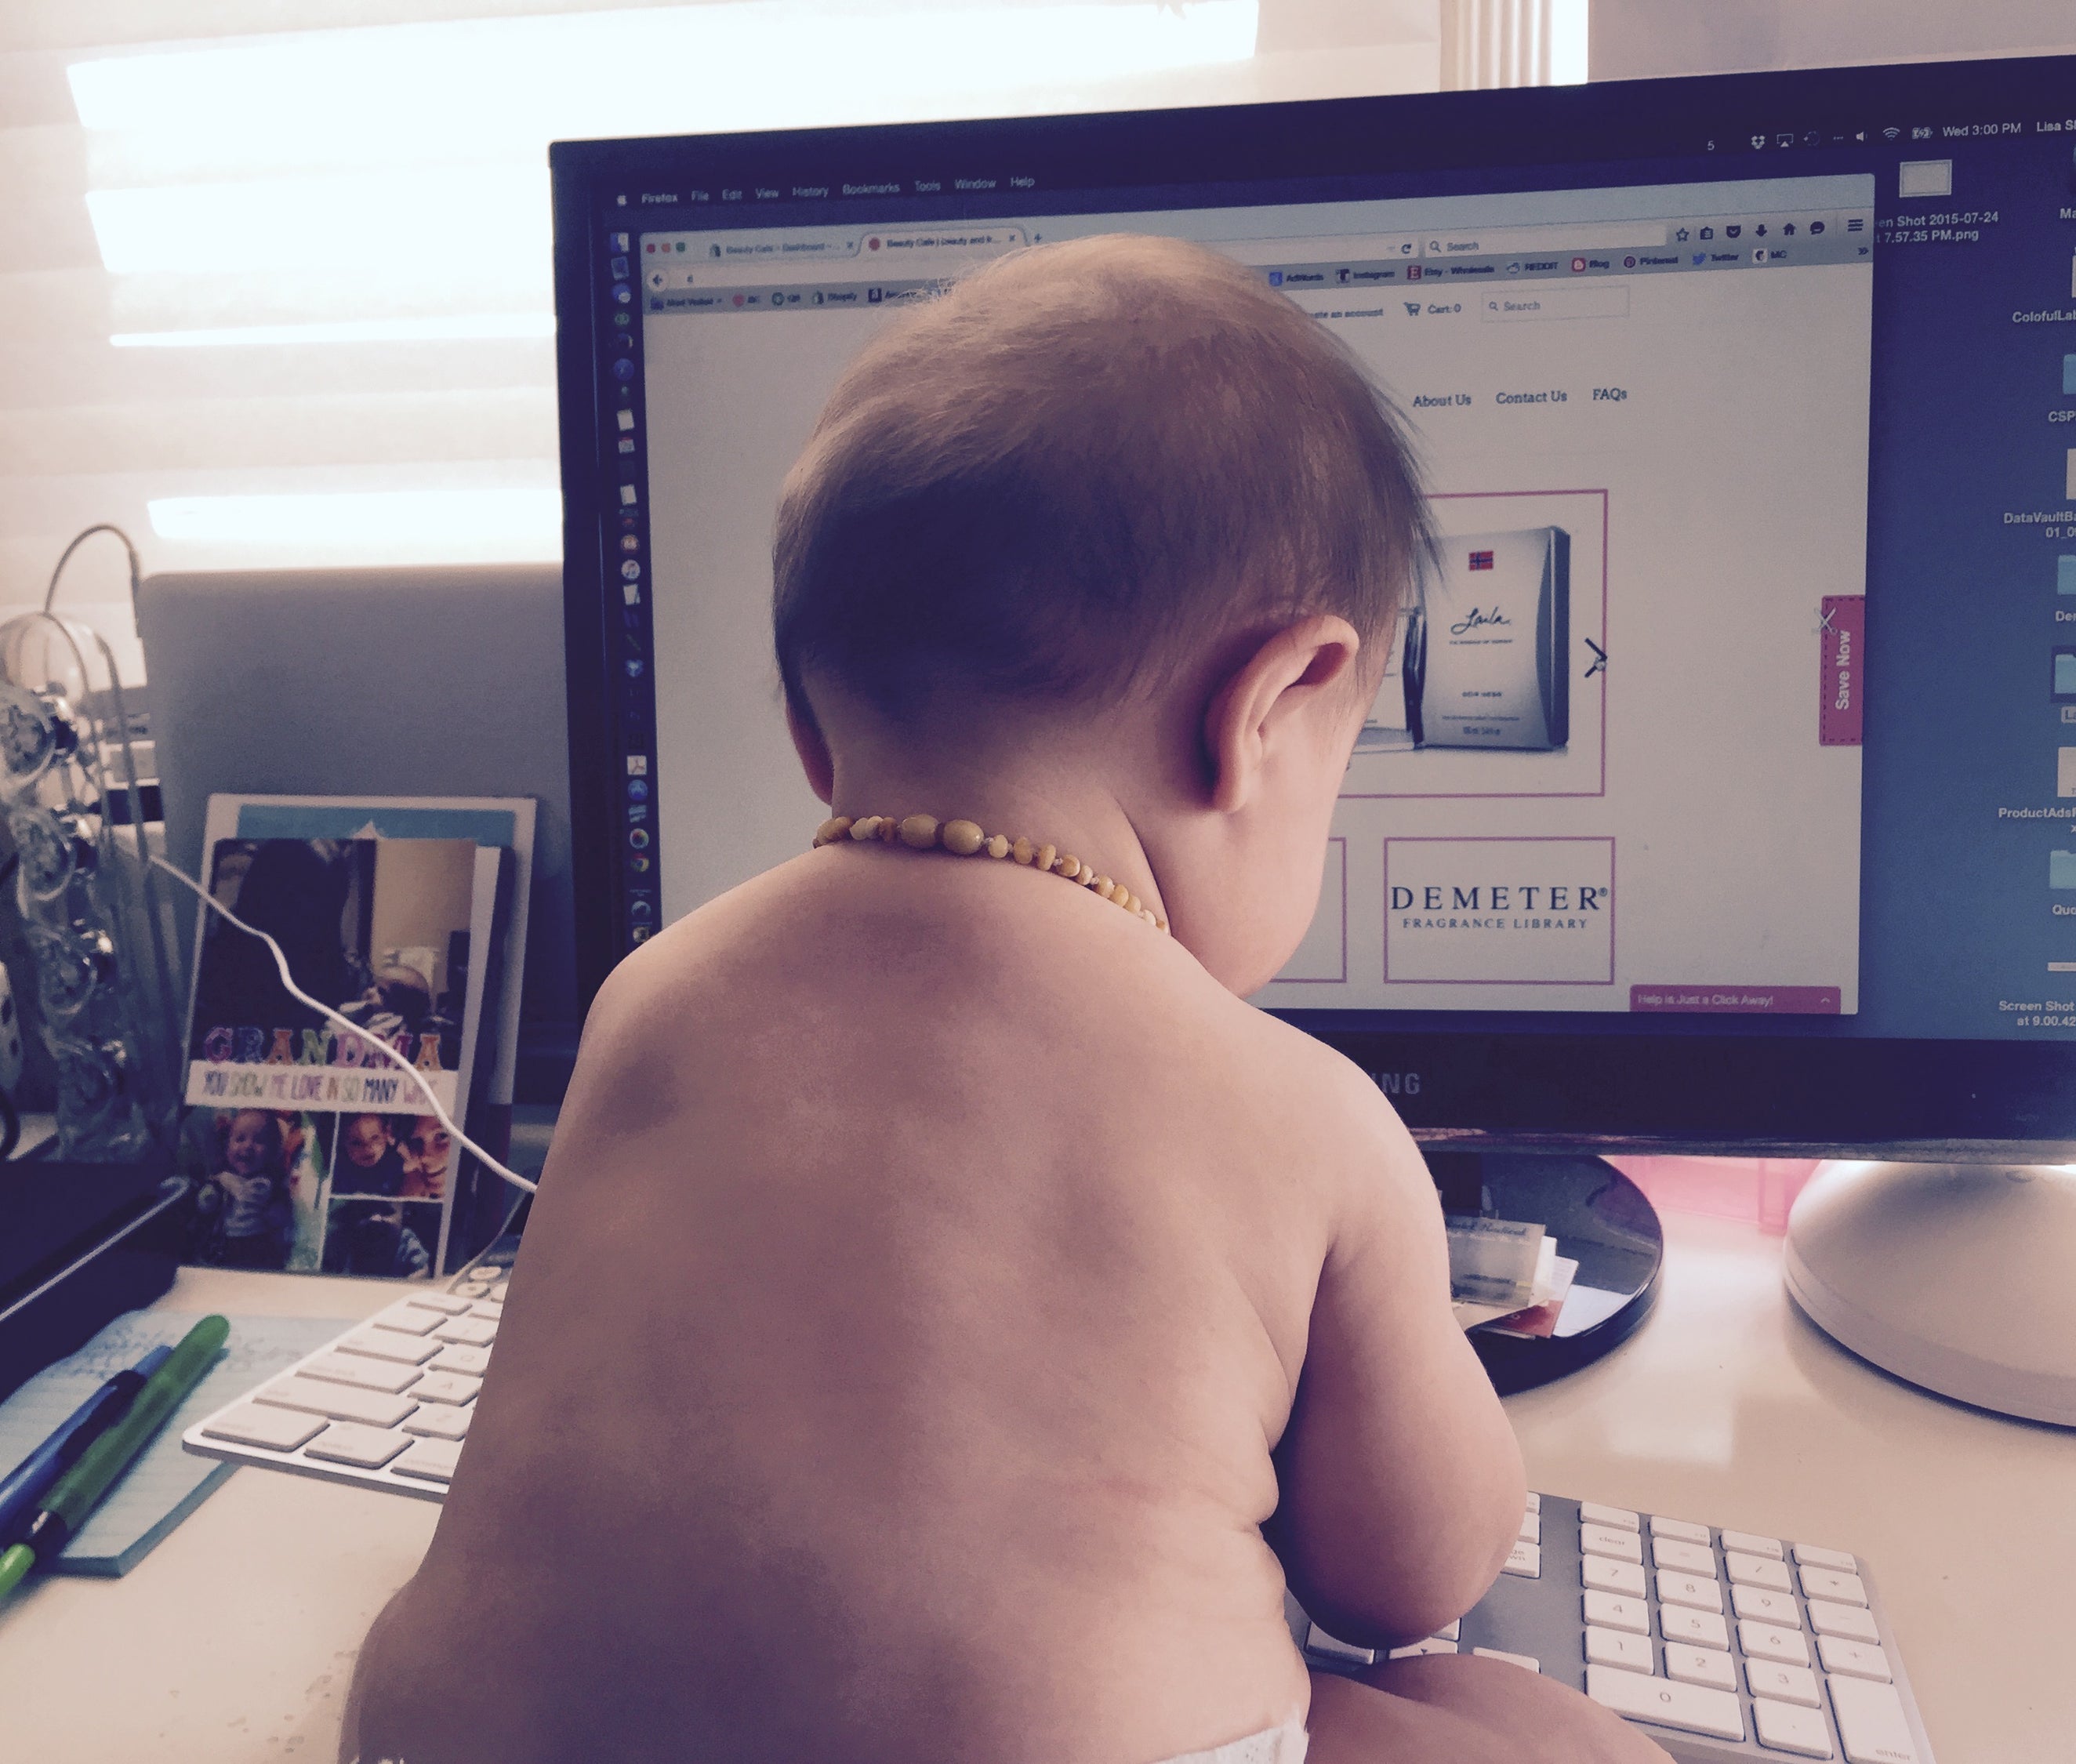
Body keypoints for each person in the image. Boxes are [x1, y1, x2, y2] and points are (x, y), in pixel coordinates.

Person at [344, 235, 1666, 1764]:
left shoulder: (649, 1004)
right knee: (1511, 1718)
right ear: (1272, 708)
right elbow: (1408, 1575)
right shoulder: (1296, 1111)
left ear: (811, 740)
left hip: (445, 1743)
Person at [189, 1108, 295, 1270]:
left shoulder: (270, 1182)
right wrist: (208, 1200)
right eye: (240, 1139)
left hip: (260, 1243)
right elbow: (206, 1202)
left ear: (272, 1151)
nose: (248, 1146)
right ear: (227, 1146)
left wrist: (277, 1213)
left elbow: (282, 1206)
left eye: (259, 1141)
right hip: (225, 1243)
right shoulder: (223, 1179)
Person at [333, 1112, 405, 1199]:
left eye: (375, 1138)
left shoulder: (393, 1161)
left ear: (386, 1135)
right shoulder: (341, 1169)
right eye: (356, 1143)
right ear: (344, 1144)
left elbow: (411, 1162)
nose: (367, 1148)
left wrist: (394, 1141)